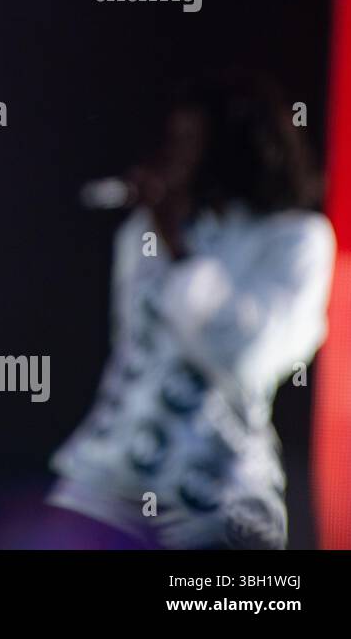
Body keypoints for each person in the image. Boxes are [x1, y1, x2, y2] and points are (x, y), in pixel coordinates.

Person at [44, 73, 335, 549]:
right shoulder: (144, 231)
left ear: (234, 151)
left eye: (189, 143)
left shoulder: (296, 240)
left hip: (215, 496)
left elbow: (247, 359)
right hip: (108, 480)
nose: (174, 157)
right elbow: (133, 355)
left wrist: (179, 248)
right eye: (172, 141)